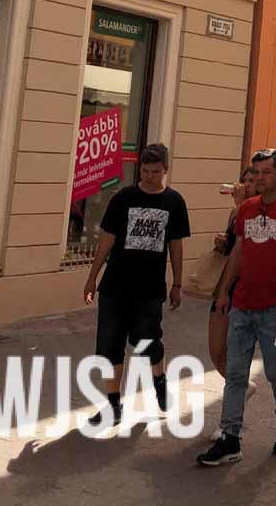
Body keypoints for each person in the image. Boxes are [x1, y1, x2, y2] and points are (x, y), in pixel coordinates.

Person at [202, 148, 276, 465]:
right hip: (242, 304)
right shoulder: (247, 209)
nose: (260, 178)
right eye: (257, 172)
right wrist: (224, 290)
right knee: (236, 373)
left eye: (266, 172)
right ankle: (230, 437)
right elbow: (238, 252)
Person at [83, 144, 189, 428]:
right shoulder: (123, 198)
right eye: (145, 171)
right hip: (115, 284)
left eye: (156, 171)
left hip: (149, 288)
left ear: (166, 170)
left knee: (148, 342)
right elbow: (107, 239)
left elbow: (176, 246)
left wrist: (177, 283)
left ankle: (159, 381)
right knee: (110, 344)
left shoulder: (174, 202)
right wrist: (92, 277)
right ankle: (113, 405)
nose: (150, 176)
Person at [210, 165, 257, 371]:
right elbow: (234, 247)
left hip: (246, 287)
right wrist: (221, 243)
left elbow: (251, 244)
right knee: (216, 352)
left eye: (252, 181)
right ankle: (240, 385)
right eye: (244, 180)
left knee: (236, 351)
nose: (246, 186)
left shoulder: (260, 211)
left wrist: (241, 205)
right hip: (226, 284)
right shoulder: (236, 211)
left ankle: (237, 386)